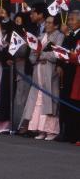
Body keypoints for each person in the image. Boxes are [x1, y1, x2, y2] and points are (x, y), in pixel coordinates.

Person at [21, 15, 64, 141]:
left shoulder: (59, 36)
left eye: (50, 23)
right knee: (37, 100)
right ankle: (40, 129)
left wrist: (43, 54)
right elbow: (31, 56)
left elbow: (58, 54)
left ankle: (51, 130)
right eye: (47, 23)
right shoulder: (40, 37)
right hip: (38, 71)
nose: (47, 25)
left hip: (50, 72)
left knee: (49, 100)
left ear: (56, 25)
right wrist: (39, 57)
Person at [56, 10, 79, 143]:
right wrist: (59, 65)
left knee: (73, 103)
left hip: (74, 72)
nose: (69, 22)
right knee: (64, 102)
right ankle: (64, 131)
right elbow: (62, 50)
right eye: (69, 19)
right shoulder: (69, 34)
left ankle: (72, 134)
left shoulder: (75, 35)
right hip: (65, 72)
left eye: (72, 20)